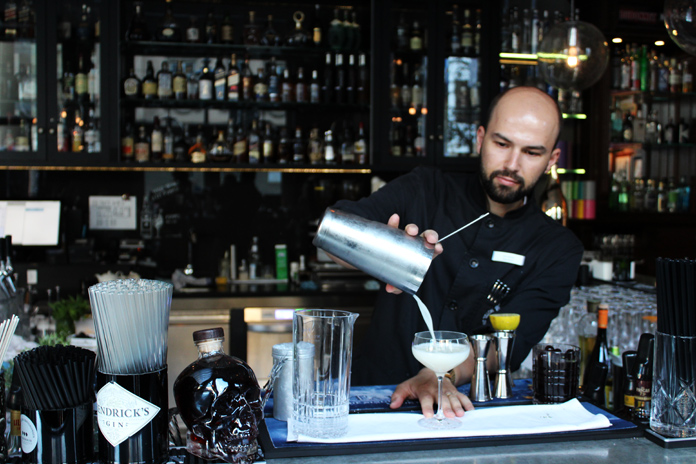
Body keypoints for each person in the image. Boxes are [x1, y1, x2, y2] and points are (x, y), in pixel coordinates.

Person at [328, 86, 584, 419]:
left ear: (551, 160)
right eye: (501, 144)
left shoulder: (557, 249)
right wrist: (385, 250)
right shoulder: (426, 188)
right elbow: (333, 228)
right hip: (373, 398)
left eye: (532, 153)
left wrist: (442, 374)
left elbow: (508, 344)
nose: (512, 164)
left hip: (465, 412)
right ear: (480, 139)